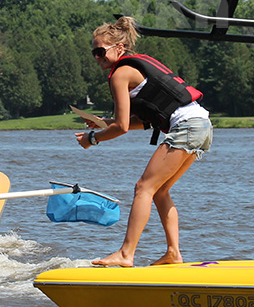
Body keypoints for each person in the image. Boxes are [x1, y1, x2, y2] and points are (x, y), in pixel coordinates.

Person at [75, 16, 213, 267]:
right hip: (201, 124)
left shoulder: (121, 74)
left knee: (143, 188)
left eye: (100, 51)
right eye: (93, 52)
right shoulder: (133, 69)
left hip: (187, 126)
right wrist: (104, 122)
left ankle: (126, 253)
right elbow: (144, 121)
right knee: (159, 191)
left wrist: (92, 139)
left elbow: (122, 127)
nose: (96, 57)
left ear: (120, 48)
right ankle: (173, 253)